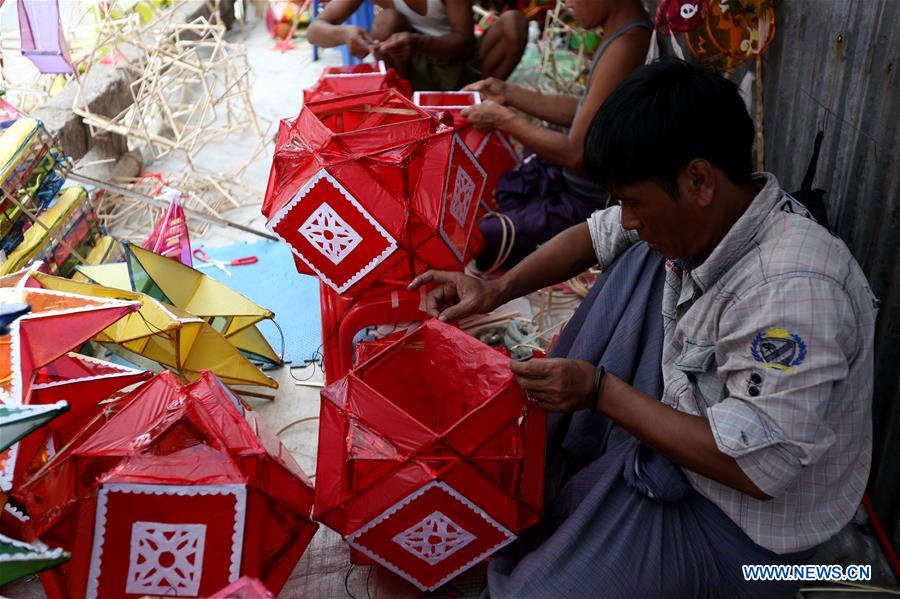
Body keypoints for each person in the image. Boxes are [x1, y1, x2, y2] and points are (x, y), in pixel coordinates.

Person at [409, 59, 877, 597]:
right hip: (689, 442)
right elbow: (596, 232)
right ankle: (591, 462)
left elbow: (756, 471)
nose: (626, 216)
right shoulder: (714, 216)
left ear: (699, 179)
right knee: (639, 256)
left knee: (534, 590)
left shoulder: (793, 290)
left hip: (747, 534)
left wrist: (600, 391)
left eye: (633, 200)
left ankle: (833, 568)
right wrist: (496, 289)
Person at [460, 0, 652, 271]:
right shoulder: (619, 33)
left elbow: (576, 153)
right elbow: (586, 111)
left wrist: (503, 120)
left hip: (587, 202)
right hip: (568, 182)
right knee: (511, 181)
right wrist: (508, 93)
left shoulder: (627, 45)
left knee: (481, 238)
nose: (567, 3)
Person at [306, 0, 527, 91]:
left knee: (513, 23)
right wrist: (344, 33)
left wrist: (418, 42)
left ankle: (483, 95)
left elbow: (465, 44)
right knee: (386, 21)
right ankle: (404, 101)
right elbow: (314, 31)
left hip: (464, 64)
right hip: (415, 71)